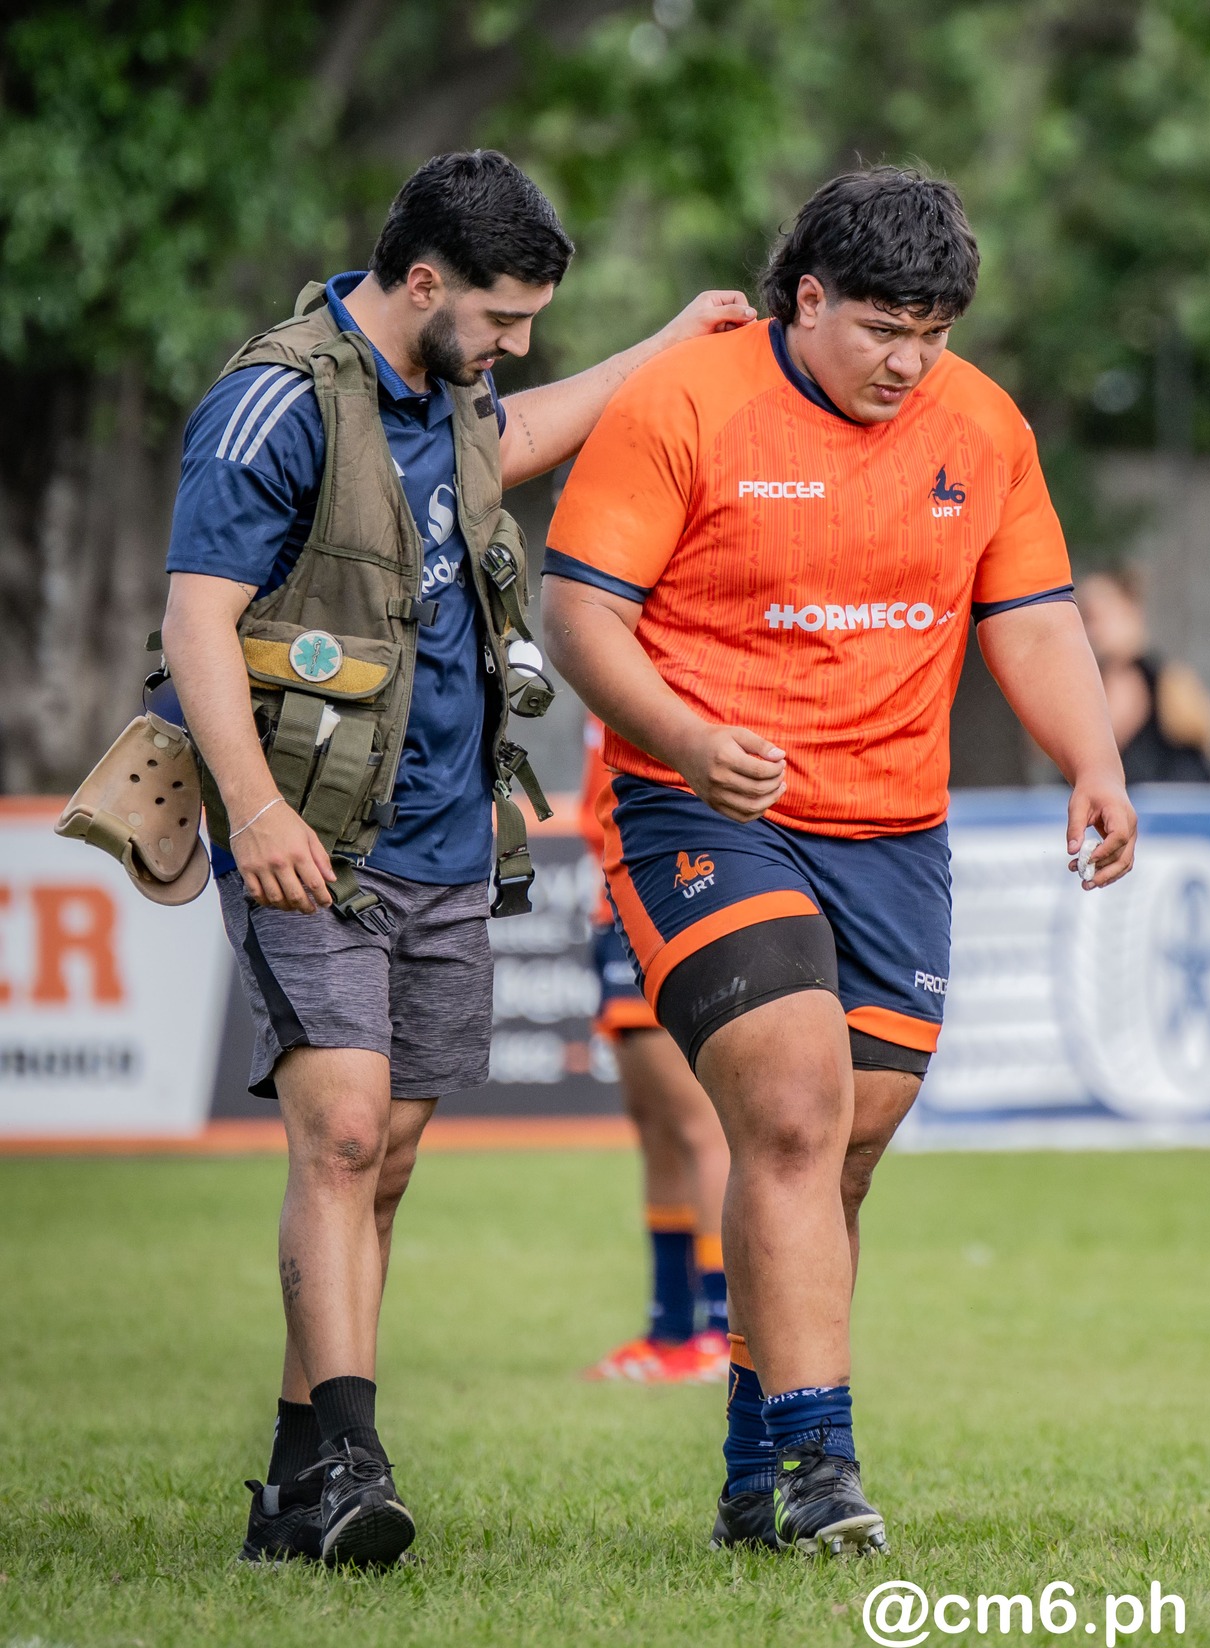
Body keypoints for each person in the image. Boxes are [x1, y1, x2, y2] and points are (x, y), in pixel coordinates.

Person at [159, 148, 753, 1568]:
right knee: (345, 1132)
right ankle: (354, 1463)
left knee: (393, 1155)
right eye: (497, 317)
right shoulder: (273, 402)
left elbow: (523, 436)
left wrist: (667, 346)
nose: (513, 345)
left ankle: (298, 1480)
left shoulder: (456, 391)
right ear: (419, 281)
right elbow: (196, 624)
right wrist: (254, 815)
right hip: (309, 834)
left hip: (443, 832)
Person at [542, 166, 1136, 1556]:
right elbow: (580, 616)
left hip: (892, 828)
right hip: (703, 810)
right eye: (881, 326)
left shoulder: (981, 424)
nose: (910, 360)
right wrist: (687, 740)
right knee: (798, 1115)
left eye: (932, 330)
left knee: (840, 1156)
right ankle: (822, 1467)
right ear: (804, 299)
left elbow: (1037, 619)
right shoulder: (684, 404)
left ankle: (756, 1469)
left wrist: (1094, 758)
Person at [576, 715, 733, 1383]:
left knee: (701, 1124)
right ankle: (670, 1328)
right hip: (615, 896)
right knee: (656, 1124)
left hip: (668, 887)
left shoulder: (675, 652)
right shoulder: (599, 640)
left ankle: (725, 1329)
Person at [1075, 569, 1210, 783]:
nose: (1090, 631)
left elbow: (1093, 752)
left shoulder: (1129, 679)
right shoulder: (1167, 676)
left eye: (1094, 617)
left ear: (1130, 611)